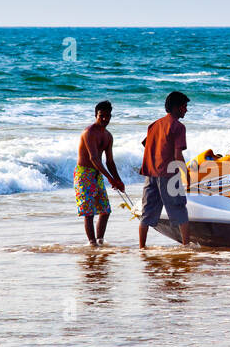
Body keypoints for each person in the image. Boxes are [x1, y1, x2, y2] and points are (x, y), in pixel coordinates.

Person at [138, 91, 191, 248]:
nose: (186, 110)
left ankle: (142, 248)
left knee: (146, 213)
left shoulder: (153, 125)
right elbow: (177, 155)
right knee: (180, 209)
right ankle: (186, 247)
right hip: (168, 174)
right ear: (176, 108)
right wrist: (186, 174)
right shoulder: (178, 127)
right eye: (184, 107)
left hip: (150, 173)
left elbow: (146, 144)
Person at [75, 100, 125, 246]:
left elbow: (110, 161)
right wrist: (110, 178)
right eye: (101, 116)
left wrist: (118, 180)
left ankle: (100, 241)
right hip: (84, 174)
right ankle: (92, 244)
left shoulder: (108, 136)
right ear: (96, 115)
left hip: (97, 175)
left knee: (105, 210)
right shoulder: (89, 132)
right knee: (89, 212)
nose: (104, 119)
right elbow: (94, 158)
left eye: (107, 116)